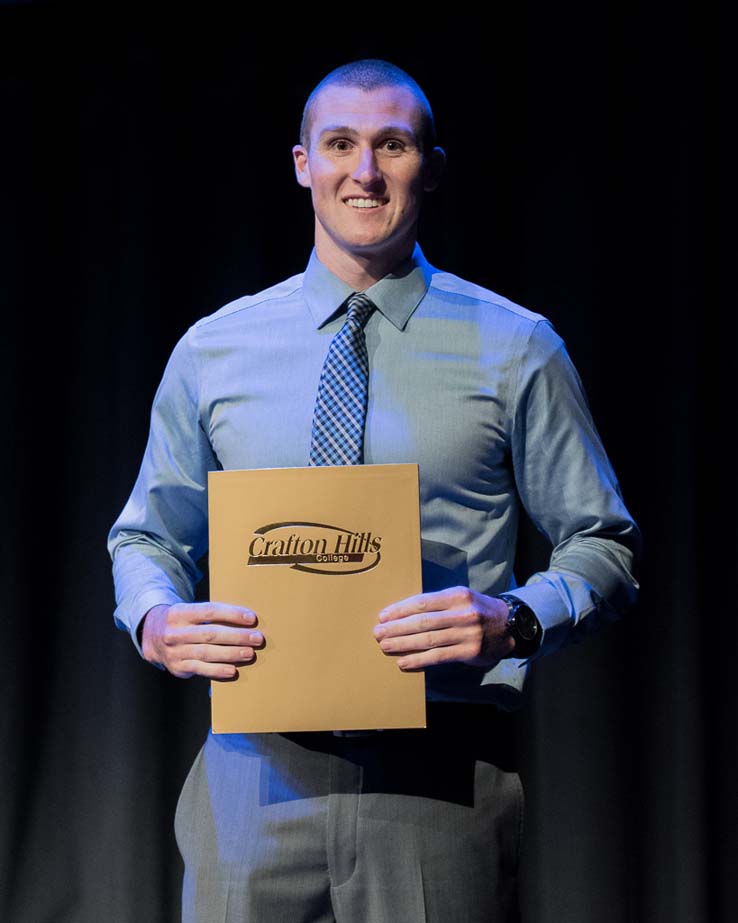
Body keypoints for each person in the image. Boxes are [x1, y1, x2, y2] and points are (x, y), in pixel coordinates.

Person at [108, 58, 640, 922]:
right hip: (252, 773)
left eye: (391, 145)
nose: (364, 171)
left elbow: (604, 542)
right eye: (341, 144)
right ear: (301, 163)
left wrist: (517, 617)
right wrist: (157, 620)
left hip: (439, 777)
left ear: (427, 166)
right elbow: (146, 538)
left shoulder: (516, 346)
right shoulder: (215, 349)